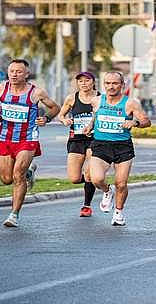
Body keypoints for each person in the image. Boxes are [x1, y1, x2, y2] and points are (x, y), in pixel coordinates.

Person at [0, 59, 60, 227]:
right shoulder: (0, 89)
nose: (14, 74)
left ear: (26, 74)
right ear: (8, 73)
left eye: (18, 72)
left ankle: (14, 215)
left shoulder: (36, 93)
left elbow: (55, 108)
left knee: (17, 175)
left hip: (27, 138)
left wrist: (46, 118)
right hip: (4, 137)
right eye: (12, 71)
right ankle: (29, 173)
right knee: (6, 179)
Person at [83, 72, 151, 226]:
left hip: (123, 146)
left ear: (122, 85)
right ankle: (107, 191)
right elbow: (95, 116)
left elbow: (146, 121)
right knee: (96, 179)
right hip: (100, 144)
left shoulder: (130, 103)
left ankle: (119, 212)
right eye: (107, 83)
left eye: (115, 83)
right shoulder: (97, 101)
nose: (111, 86)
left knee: (121, 183)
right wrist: (90, 126)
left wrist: (135, 123)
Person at [57, 72, 99, 217]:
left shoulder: (100, 98)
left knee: (88, 172)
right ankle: (94, 180)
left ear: (93, 82)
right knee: (74, 178)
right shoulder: (71, 98)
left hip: (95, 139)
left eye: (87, 80)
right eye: (80, 81)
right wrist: (64, 120)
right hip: (76, 139)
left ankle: (86, 206)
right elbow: (61, 115)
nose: (83, 83)